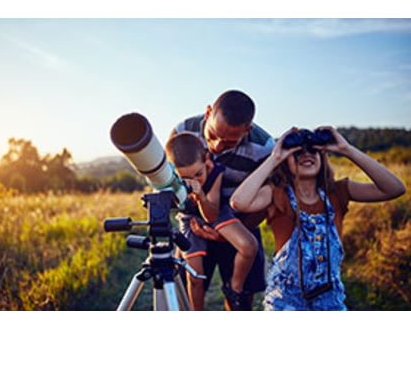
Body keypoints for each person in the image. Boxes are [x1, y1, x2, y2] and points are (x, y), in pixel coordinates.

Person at [230, 126, 406, 310]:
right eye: (297, 153)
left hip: (330, 296)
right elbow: (239, 202)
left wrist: (347, 149)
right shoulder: (277, 194)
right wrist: (275, 157)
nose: (307, 155)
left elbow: (394, 189)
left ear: (323, 157)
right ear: (285, 162)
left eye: (314, 151)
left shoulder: (338, 192)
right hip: (285, 297)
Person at [171, 90, 275, 310]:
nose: (216, 146)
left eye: (229, 143)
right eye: (212, 135)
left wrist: (227, 235)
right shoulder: (183, 131)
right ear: (208, 113)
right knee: (188, 289)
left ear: (248, 130)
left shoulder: (265, 149)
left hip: (237, 222)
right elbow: (171, 180)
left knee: (240, 301)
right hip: (193, 222)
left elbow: (269, 199)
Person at [166, 132, 258, 310]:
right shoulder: (171, 180)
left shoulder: (215, 172)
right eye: (186, 179)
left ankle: (234, 288)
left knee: (249, 246)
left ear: (207, 160)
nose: (193, 181)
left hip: (214, 210)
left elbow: (211, 216)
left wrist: (200, 196)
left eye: (198, 174)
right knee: (194, 277)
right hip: (190, 219)